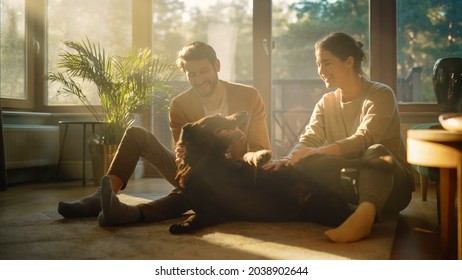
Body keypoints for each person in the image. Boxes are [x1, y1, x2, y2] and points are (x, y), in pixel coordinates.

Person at [58, 41, 270, 226]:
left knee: (188, 193)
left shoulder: (249, 97)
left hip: (236, 176)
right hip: (197, 170)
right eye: (192, 74)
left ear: (217, 66)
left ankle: (130, 214)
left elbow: (260, 149)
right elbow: (183, 157)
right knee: (136, 134)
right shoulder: (180, 105)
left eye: (204, 71)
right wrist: (182, 156)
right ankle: (102, 197)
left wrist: (237, 140)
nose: (199, 79)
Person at [264, 32, 414, 243]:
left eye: (326, 63)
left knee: (375, 152)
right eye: (318, 64)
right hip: (351, 182)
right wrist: (291, 159)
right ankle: (345, 210)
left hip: (392, 185)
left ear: (349, 62)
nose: (321, 71)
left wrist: (316, 152)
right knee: (304, 163)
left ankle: (365, 216)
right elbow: (309, 139)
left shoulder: (381, 94)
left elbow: (364, 139)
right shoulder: (326, 102)